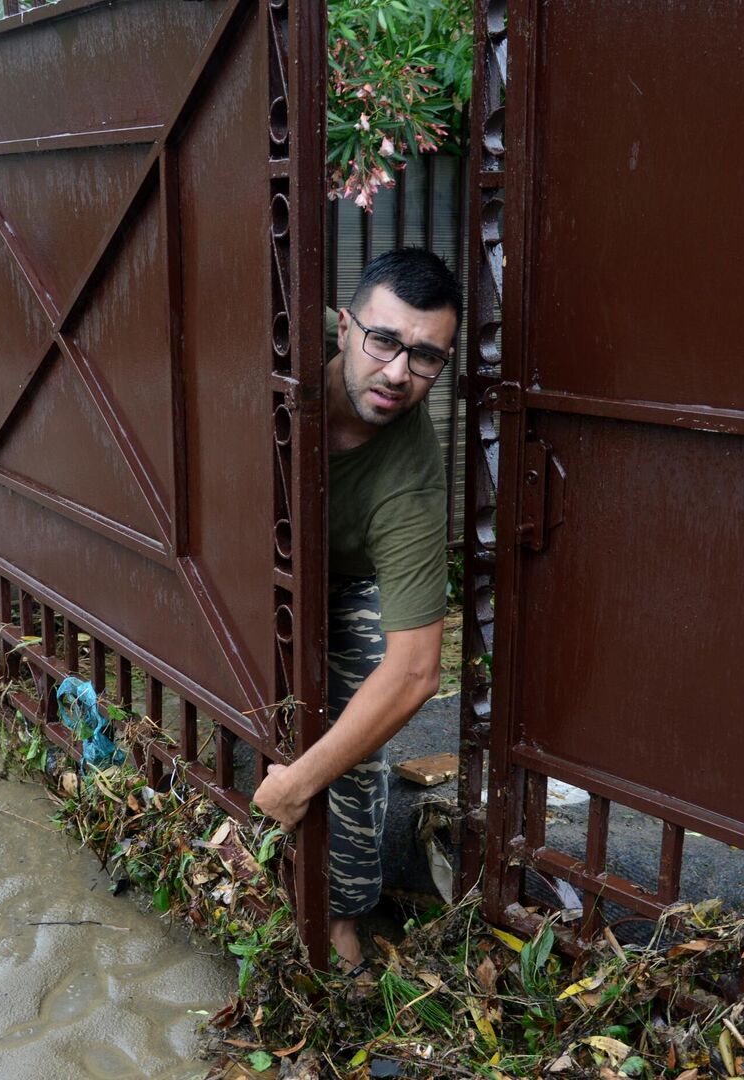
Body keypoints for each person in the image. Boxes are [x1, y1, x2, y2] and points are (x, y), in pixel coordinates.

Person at [250, 247, 459, 969]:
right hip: (241, 559)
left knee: (356, 735)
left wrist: (299, 783)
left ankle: (344, 913)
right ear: (342, 326)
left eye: (427, 357)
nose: (401, 373)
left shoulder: (412, 476)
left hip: (343, 583)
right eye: (385, 341)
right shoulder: (276, 345)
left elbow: (414, 672)